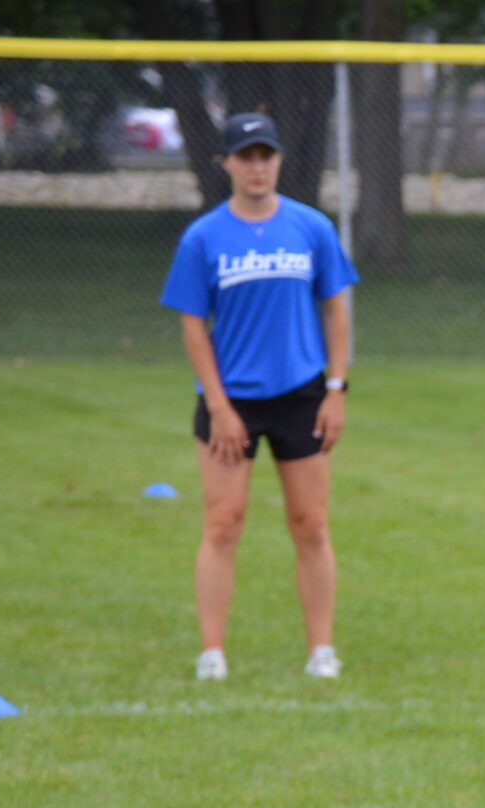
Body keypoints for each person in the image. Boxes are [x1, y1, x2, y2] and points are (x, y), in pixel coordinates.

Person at [160, 111, 358, 681]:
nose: (257, 167)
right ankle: (212, 652)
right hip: (232, 403)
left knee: (311, 524)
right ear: (225, 163)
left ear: (279, 162)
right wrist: (219, 407)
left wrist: (336, 389)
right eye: (245, 157)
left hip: (302, 395)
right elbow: (194, 325)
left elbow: (335, 309)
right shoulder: (203, 237)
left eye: (265, 155)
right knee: (224, 522)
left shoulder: (312, 227)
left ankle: (322, 650)